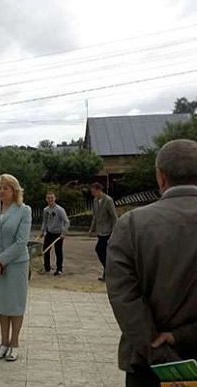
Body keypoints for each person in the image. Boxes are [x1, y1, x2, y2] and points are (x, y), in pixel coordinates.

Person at [106, 139, 197, 387]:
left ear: (161, 177)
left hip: (147, 363)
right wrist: (184, 336)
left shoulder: (132, 225)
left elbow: (123, 297)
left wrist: (161, 355)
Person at [0, 174, 31, 361]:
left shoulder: (23, 211)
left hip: (16, 265)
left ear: (14, 190)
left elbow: (21, 242)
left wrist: (1, 260)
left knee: (15, 305)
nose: (1, 191)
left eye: (5, 188)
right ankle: (3, 342)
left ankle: (15, 343)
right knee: (2, 304)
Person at [88, 182, 118, 281]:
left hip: (108, 231)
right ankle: (108, 271)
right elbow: (95, 216)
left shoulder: (108, 200)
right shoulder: (95, 200)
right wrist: (91, 229)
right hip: (100, 230)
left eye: (94, 192)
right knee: (103, 252)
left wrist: (114, 231)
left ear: (99, 190)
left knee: (100, 249)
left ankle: (109, 270)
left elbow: (114, 217)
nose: (93, 194)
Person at [40, 191, 70, 275]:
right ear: (46, 199)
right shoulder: (45, 210)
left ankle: (59, 269)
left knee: (58, 251)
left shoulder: (60, 210)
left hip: (58, 233)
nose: (50, 199)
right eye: (48, 198)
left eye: (52, 198)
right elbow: (44, 222)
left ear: (55, 198)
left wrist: (64, 233)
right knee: (45, 250)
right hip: (49, 232)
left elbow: (67, 221)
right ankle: (47, 268)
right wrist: (42, 231)